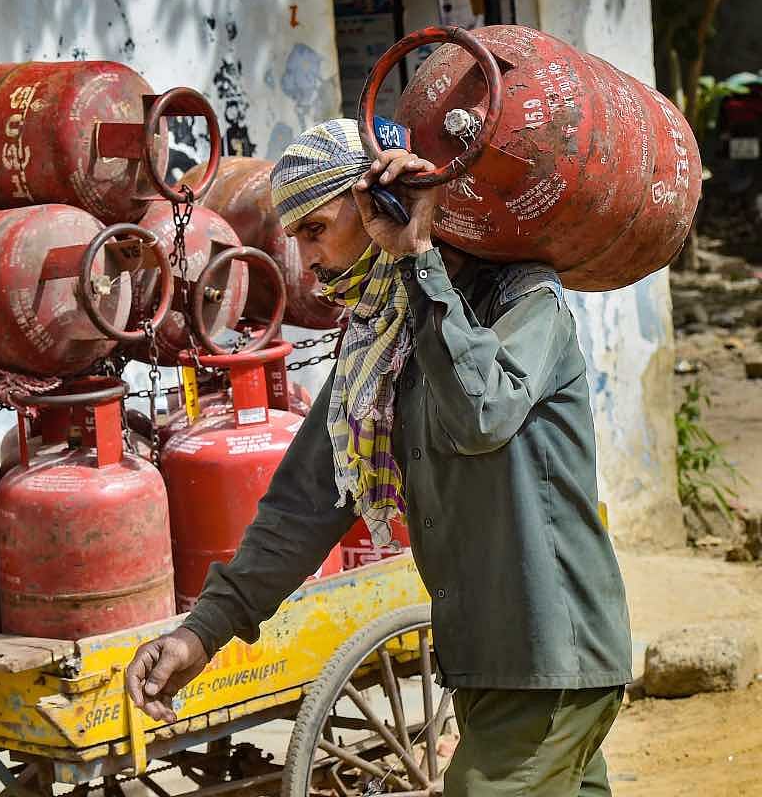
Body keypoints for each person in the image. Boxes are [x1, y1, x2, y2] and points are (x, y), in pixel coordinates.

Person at [127, 118, 633, 796]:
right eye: (295, 237)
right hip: (488, 661)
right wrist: (202, 632)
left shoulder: (520, 298)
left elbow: (482, 413)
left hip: (550, 652)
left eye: (315, 229)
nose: (306, 260)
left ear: (381, 206)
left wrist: (417, 258)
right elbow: (305, 504)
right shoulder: (378, 338)